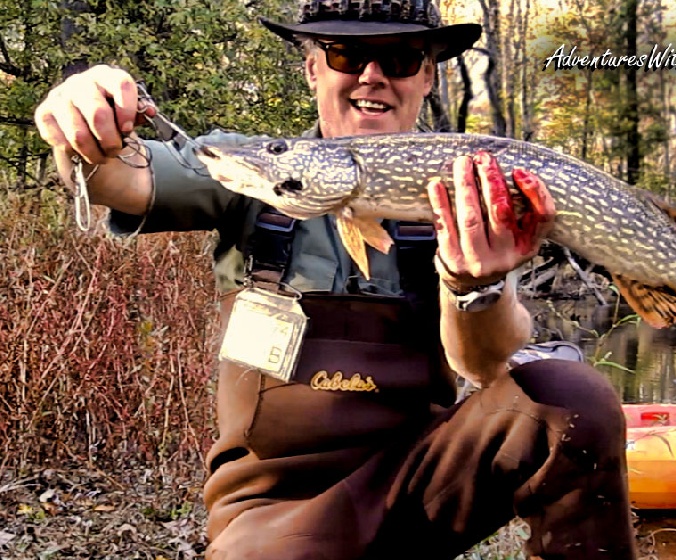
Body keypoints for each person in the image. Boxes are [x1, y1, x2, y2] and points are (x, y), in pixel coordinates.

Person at [34, 1, 636, 558]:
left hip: (422, 488)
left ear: (427, 77)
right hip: (274, 510)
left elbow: (484, 368)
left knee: (571, 396)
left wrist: (471, 283)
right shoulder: (258, 170)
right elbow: (120, 179)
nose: (373, 75)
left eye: (400, 58)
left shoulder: (464, 189)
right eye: (347, 54)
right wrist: (80, 118)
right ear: (312, 68)